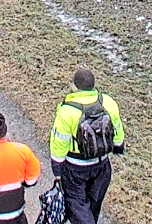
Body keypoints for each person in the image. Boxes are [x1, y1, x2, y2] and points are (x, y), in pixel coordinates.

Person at [48, 67, 125, 224]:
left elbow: (59, 141)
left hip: (75, 168)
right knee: (93, 205)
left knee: (77, 206)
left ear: (75, 86)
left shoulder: (67, 110)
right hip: (102, 165)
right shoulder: (108, 102)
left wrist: (57, 167)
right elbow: (117, 129)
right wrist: (118, 147)